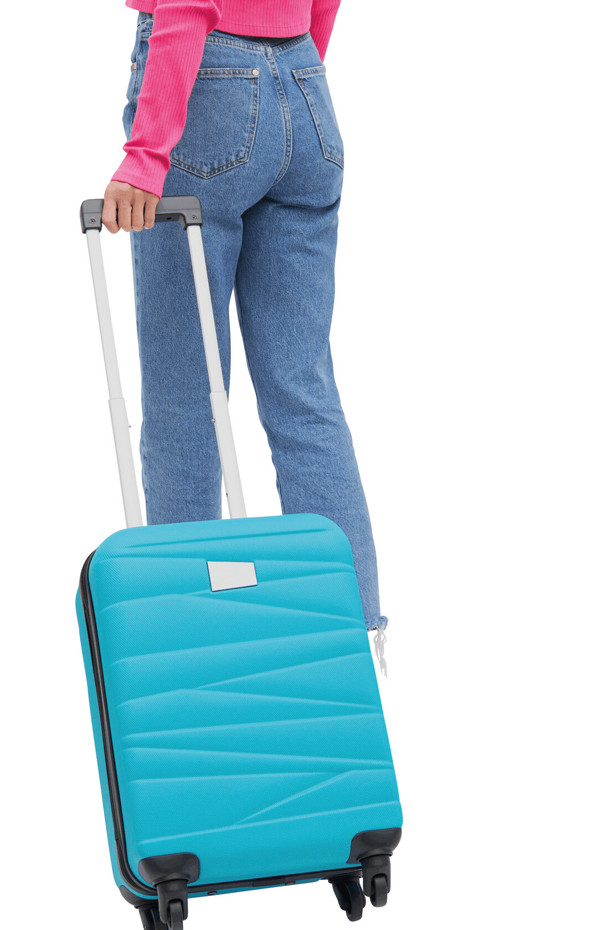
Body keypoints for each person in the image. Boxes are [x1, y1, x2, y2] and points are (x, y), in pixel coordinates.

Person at [101, 0, 389, 667]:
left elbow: (186, 3)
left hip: (204, 85)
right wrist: (290, 72)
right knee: (305, 394)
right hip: (305, 85)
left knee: (185, 398)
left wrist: (146, 156)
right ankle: (352, 646)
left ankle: (190, 651)